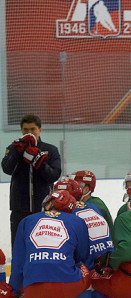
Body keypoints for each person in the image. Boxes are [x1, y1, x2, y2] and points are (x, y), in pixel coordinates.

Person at [9, 189, 90, 297]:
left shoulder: (27, 221)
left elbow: (18, 263)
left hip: (34, 288)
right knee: (87, 271)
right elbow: (82, 256)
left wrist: (13, 291)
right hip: (69, 286)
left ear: (50, 203)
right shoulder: (78, 221)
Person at [2, 114, 62, 249]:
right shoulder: (13, 148)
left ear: (40, 130)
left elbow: (54, 175)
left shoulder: (50, 150)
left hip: (44, 207)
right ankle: (19, 271)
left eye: (33, 129)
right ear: (21, 130)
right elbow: (7, 169)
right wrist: (17, 152)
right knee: (19, 247)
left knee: (43, 246)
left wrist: (39, 162)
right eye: (25, 129)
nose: (29, 133)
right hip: (19, 208)